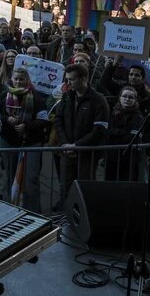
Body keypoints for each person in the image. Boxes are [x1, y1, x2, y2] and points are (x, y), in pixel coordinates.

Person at [54, 63, 110, 204]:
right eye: (66, 79)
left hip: (87, 154)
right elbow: (58, 120)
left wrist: (76, 145)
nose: (67, 83)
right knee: (65, 190)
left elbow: (99, 130)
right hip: (67, 152)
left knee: (85, 191)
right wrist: (66, 144)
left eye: (71, 79)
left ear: (83, 78)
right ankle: (65, 217)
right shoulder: (67, 97)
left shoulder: (98, 100)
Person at [0, 67, 47, 212]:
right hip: (9, 141)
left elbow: (43, 119)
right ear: (12, 79)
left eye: (21, 79)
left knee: (31, 179)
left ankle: (33, 211)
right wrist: (7, 119)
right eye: (16, 79)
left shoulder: (36, 97)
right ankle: (9, 210)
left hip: (31, 141)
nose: (18, 82)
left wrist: (27, 126)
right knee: (9, 178)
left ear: (27, 80)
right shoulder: (3, 95)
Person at [104, 86, 145, 181]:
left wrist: (113, 134)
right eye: (124, 96)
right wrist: (121, 132)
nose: (127, 99)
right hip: (112, 157)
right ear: (120, 97)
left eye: (130, 97)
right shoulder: (112, 112)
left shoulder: (138, 117)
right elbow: (105, 131)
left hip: (130, 159)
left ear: (135, 100)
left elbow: (133, 138)